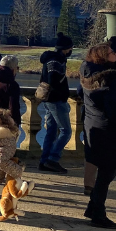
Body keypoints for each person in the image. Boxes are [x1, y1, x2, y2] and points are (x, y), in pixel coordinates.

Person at [79, 37, 116, 229]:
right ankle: (97, 213)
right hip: (110, 131)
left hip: (93, 128)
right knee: (107, 172)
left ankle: (94, 208)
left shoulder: (88, 75)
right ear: (105, 57)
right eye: (115, 54)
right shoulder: (111, 79)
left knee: (107, 170)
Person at [37, 33, 73, 173]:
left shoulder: (53, 58)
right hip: (56, 100)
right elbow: (53, 80)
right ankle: (53, 159)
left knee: (51, 132)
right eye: (70, 48)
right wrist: (61, 90)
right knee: (66, 131)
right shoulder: (56, 61)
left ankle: (44, 161)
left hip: (49, 100)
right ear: (66, 49)